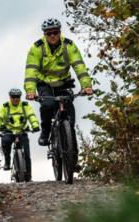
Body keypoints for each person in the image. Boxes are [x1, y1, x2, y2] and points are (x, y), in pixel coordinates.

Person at [24, 18, 93, 170]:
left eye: (56, 32)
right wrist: (30, 91)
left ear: (60, 32)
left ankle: (72, 161)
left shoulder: (68, 45)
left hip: (63, 83)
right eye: (49, 33)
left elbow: (79, 66)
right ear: (45, 34)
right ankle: (45, 132)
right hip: (45, 83)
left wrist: (86, 86)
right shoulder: (37, 48)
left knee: (70, 120)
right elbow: (31, 71)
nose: (53, 36)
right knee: (47, 105)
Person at [0, 88, 40, 181]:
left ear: (20, 97)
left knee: (27, 155)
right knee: (5, 142)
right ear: (10, 97)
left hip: (22, 131)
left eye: (17, 97)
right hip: (9, 131)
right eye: (13, 97)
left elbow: (31, 115)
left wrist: (35, 125)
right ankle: (7, 162)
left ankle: (28, 177)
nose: (15, 99)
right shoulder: (5, 107)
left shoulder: (25, 105)